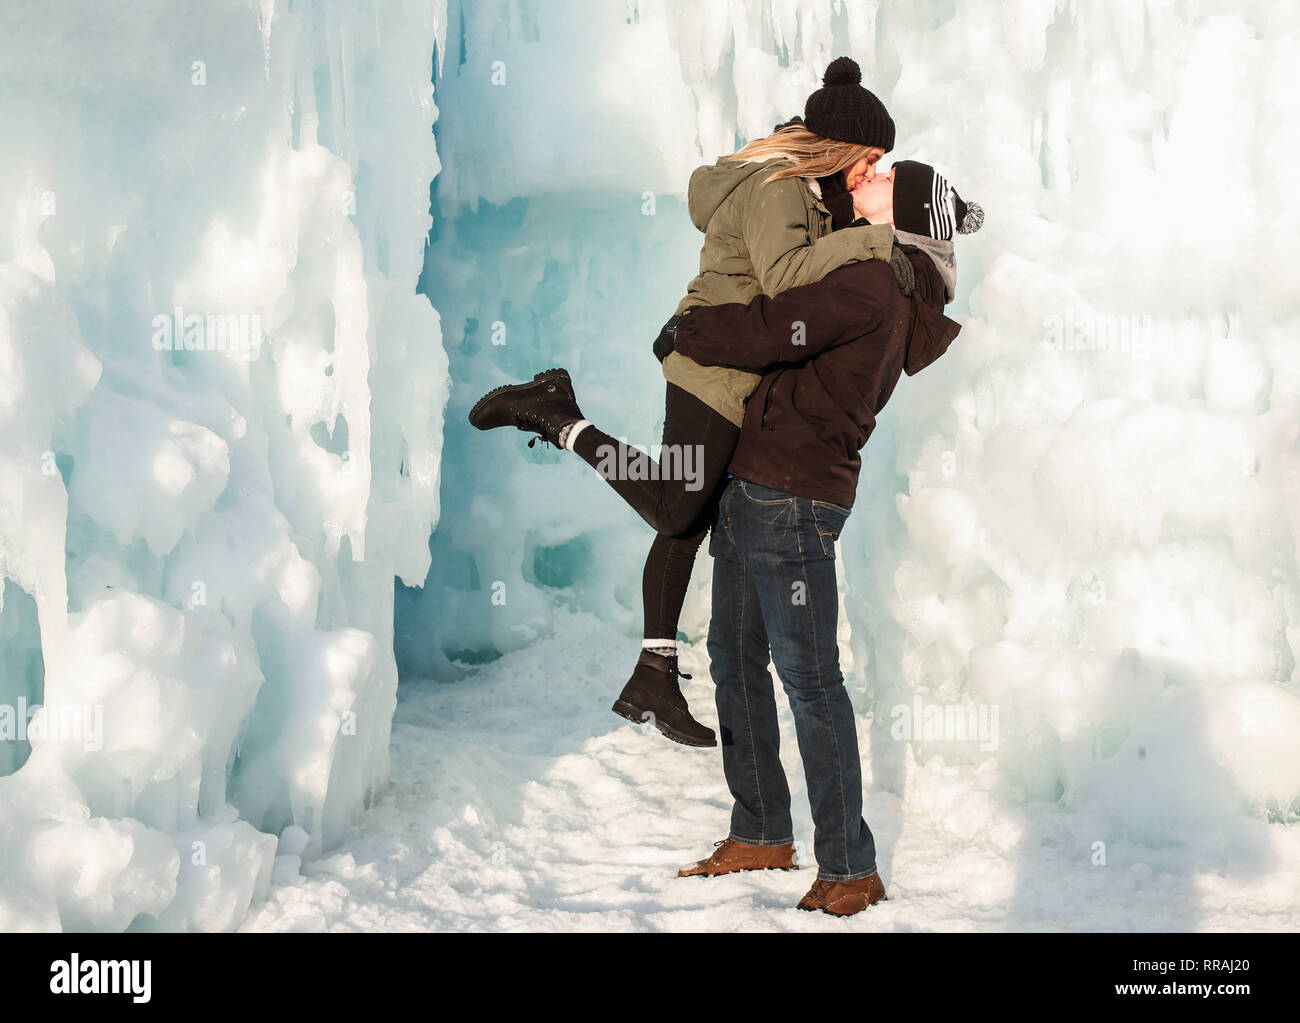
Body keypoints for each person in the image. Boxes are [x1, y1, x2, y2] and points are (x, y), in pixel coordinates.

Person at [470, 57, 908, 747]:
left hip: (729, 366)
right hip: (712, 367)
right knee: (677, 502)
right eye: (872, 157)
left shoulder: (810, 196)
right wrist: (878, 238)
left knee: (687, 519)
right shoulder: (780, 187)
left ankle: (654, 676)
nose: (872, 170)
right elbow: (788, 278)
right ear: (843, 146)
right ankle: (555, 413)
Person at [671, 160, 979, 915]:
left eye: (883, 178)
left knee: (810, 678)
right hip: (759, 482)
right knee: (732, 655)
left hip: (791, 494)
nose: (866, 179)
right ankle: (764, 827)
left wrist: (694, 329)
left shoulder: (878, 281)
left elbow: (778, 325)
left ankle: (849, 866)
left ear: (899, 209)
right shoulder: (876, 270)